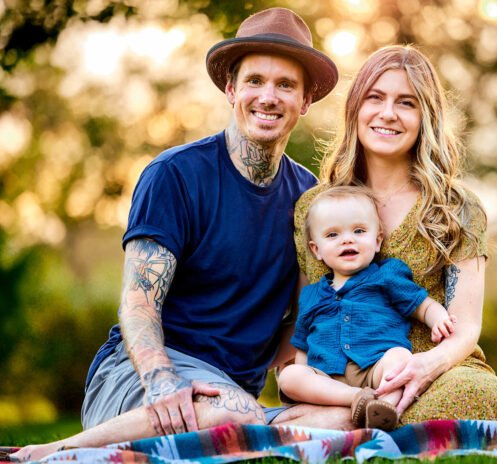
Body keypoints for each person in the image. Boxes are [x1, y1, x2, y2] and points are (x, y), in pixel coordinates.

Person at [12, 7, 339, 462]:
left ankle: (243, 431)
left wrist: (297, 381)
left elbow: (298, 321)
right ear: (231, 89)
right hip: (140, 375)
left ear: (305, 100)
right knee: (237, 417)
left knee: (340, 419)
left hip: (229, 396)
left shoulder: (310, 199)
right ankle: (49, 454)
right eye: (255, 81)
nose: (268, 97)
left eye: (285, 85)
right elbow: (138, 303)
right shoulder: (175, 174)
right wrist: (162, 380)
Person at [279, 45, 497, 428]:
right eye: (375, 97)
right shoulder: (316, 207)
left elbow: (465, 328)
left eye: (406, 103)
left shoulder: (456, 207)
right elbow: (307, 308)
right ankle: (354, 411)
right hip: (337, 377)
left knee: (472, 394)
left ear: (425, 117)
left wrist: (423, 367)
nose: (388, 113)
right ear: (356, 108)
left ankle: (347, 421)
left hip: (437, 371)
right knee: (297, 384)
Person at [277, 186, 456, 431]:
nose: (347, 239)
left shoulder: (386, 276)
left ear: (377, 240)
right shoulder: (311, 295)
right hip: (328, 377)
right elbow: (303, 345)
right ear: (316, 249)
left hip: (375, 367)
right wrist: (305, 377)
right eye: (332, 235)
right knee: (290, 376)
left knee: (400, 358)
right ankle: (357, 399)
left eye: (359, 231)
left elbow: (421, 304)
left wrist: (438, 318)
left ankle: (384, 409)